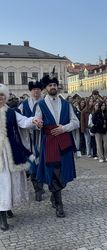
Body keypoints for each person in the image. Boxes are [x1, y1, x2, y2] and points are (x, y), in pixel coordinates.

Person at [35, 73, 79, 218]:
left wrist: (64, 128)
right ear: (46, 88)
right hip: (50, 142)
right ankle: (59, 204)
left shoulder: (66, 104)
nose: (53, 87)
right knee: (53, 172)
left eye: (54, 85)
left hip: (64, 142)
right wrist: (38, 124)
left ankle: (55, 194)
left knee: (63, 172)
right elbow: (37, 122)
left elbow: (76, 122)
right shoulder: (40, 104)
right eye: (50, 85)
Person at [0, 83, 42, 231]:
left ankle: (6, 207)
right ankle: (2, 215)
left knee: (11, 180)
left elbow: (23, 121)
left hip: (11, 151)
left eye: (2, 96)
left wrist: (34, 120)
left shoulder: (11, 112)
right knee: (2, 182)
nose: (0, 98)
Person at [18, 80, 45, 202]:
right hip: (29, 139)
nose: (36, 91)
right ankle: (37, 189)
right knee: (33, 164)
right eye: (34, 89)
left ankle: (42, 184)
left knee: (43, 162)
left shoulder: (45, 103)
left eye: (38, 89)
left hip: (43, 137)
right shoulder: (23, 105)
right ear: (30, 91)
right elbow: (19, 121)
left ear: (41, 90)